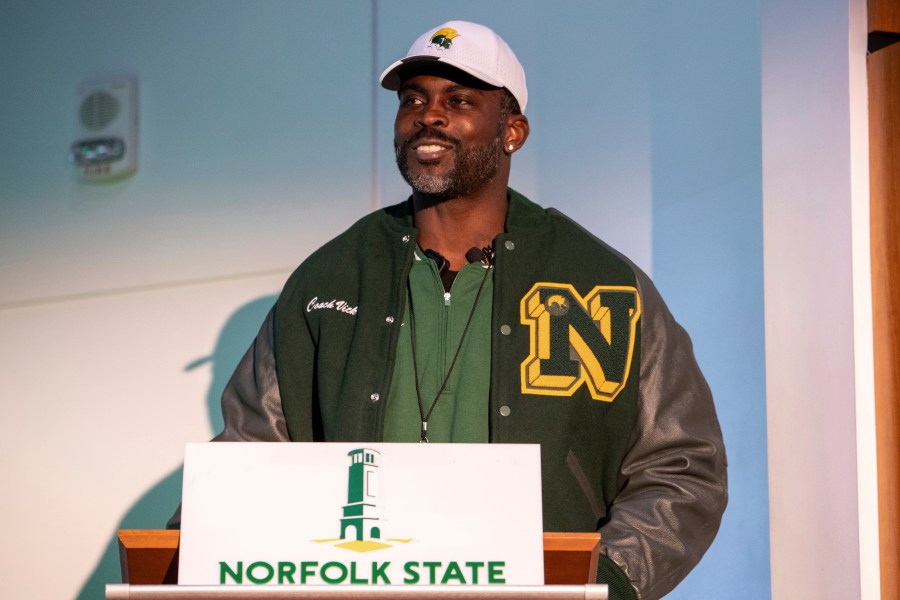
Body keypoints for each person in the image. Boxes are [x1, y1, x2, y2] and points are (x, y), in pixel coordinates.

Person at [173, 20, 727, 600]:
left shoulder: (598, 283)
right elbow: (251, 451)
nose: (428, 115)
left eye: (459, 100)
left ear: (512, 130)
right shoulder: (331, 276)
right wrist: (191, 554)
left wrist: (604, 582)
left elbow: (683, 465)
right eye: (413, 100)